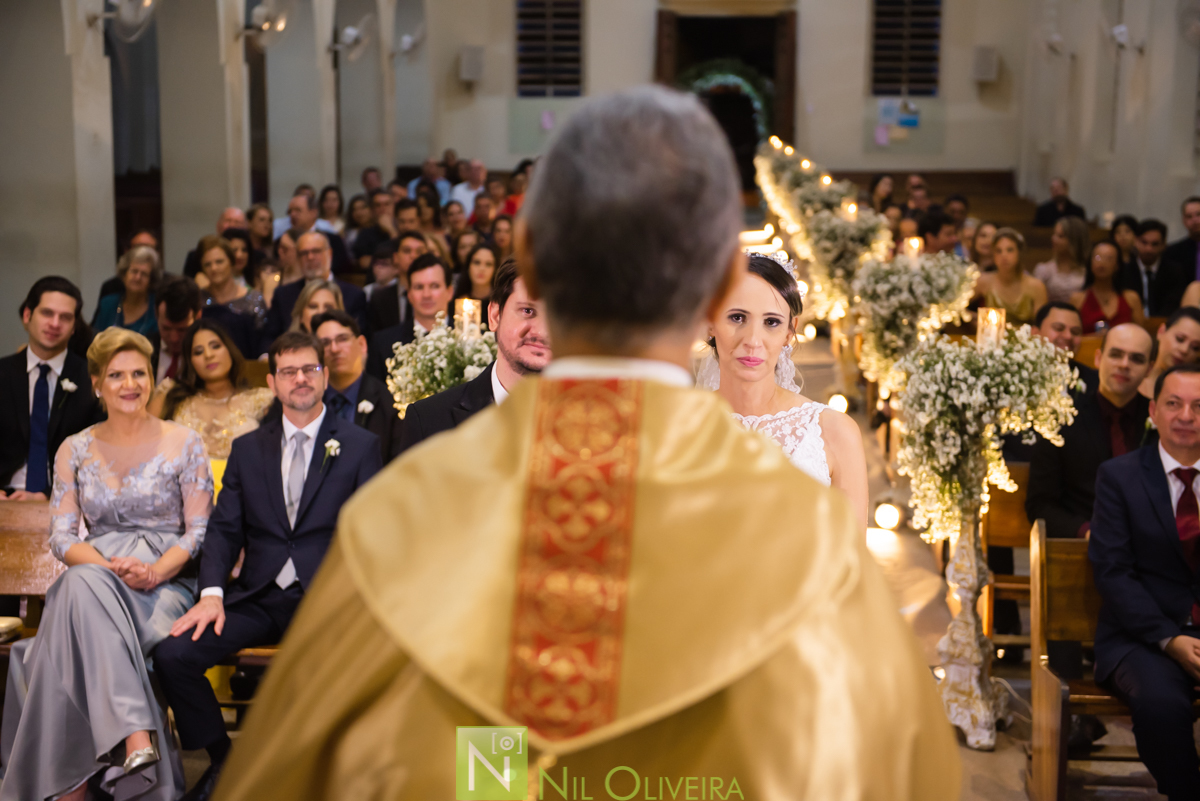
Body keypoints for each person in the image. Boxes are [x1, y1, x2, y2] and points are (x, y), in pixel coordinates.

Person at [213, 85, 958, 801]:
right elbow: (899, 769)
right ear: (721, 278)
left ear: (528, 254)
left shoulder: (401, 523)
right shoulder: (811, 548)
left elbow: (289, 772)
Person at [154, 331, 381, 801]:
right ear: (273, 381)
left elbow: (373, 532)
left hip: (326, 601)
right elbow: (223, 530)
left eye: (309, 369)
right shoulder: (248, 449)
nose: (300, 379)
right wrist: (212, 595)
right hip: (259, 597)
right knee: (174, 656)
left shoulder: (359, 446)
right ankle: (224, 762)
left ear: (324, 375)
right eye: (288, 371)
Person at [0, 328, 213, 801]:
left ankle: (70, 786)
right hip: (99, 570)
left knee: (50, 645)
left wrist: (156, 572)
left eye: (139, 372)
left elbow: (197, 534)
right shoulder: (74, 448)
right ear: (97, 383)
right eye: (116, 375)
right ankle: (132, 735)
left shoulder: (185, 441)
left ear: (153, 378)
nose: (129, 383)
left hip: (162, 584)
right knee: (82, 584)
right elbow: (61, 536)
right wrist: (104, 568)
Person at [1089, 363, 1200, 799]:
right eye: (1173, 404)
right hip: (1142, 637)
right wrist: (1169, 639)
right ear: (1153, 411)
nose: (1186, 416)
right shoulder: (1120, 477)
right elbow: (1113, 570)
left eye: (1198, 406)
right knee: (1161, 705)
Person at [697, 253, 869, 530]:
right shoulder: (677, 427)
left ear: (790, 331)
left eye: (771, 322)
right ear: (710, 323)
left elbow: (854, 563)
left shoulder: (835, 433)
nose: (753, 341)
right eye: (737, 317)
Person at [398, 258, 550, 454]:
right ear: (495, 316)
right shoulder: (428, 421)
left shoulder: (595, 423)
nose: (542, 331)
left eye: (556, 316)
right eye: (528, 311)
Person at [1027, 323, 1153, 539]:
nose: (1124, 365)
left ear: (1149, 370)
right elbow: (1040, 503)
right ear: (1098, 358)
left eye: (1136, 359)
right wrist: (1086, 531)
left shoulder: (1161, 419)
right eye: (1116, 354)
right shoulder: (1062, 419)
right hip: (1083, 548)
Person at [0, 277, 104, 499]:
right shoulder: (2, 373)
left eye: (65, 317)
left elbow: (100, 456)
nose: (55, 323)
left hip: (67, 500)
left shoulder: (91, 379)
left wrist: (48, 495)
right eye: (47, 313)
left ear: (74, 326)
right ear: (27, 316)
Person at [148, 321, 274, 460]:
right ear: (190, 361)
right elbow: (141, 445)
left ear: (229, 350)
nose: (208, 355)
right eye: (198, 352)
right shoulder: (170, 394)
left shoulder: (261, 400)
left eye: (215, 346)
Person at [313, 311, 403, 464]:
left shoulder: (390, 402)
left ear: (362, 344)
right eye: (325, 343)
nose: (334, 349)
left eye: (342, 339)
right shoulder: (308, 399)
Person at [265, 231, 367, 341]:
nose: (310, 257)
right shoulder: (283, 294)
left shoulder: (354, 295)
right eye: (304, 253)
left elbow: (359, 337)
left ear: (330, 253)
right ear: (298, 259)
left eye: (316, 251)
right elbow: (269, 337)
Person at [366, 253, 454, 380]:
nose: (426, 294)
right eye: (419, 287)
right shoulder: (383, 344)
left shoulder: (473, 339)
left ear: (449, 292)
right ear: (409, 294)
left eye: (434, 286)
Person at [197, 235, 267, 359]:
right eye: (207, 264)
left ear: (231, 262)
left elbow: (263, 341)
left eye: (219, 261)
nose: (214, 268)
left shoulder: (254, 298)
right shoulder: (197, 300)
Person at [1119, 218, 1191, 317]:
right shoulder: (1124, 271)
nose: (1149, 249)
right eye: (1144, 242)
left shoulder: (1174, 271)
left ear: (1163, 244)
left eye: (1155, 244)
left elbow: (1172, 305)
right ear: (1135, 241)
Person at [975, 227, 1048, 325]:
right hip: (992, 338)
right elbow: (957, 308)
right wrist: (978, 319)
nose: (1004, 255)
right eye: (998, 251)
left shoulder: (1037, 286)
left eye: (1010, 250)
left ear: (1019, 252)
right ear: (993, 255)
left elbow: (1042, 325)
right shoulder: (983, 281)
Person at [1072, 241, 1145, 333]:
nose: (1102, 263)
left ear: (1117, 265)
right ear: (1090, 262)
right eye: (1098, 257)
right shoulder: (1077, 299)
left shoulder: (1131, 298)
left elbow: (1140, 335)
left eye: (1109, 258)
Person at [366, 230, 427, 336]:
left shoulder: (435, 296)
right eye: (407, 251)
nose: (413, 256)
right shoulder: (379, 298)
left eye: (419, 252)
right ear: (396, 257)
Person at [93, 245, 160, 337]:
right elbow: (96, 339)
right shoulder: (107, 304)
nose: (138, 277)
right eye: (134, 271)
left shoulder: (157, 307)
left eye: (144, 274)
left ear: (151, 280)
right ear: (124, 274)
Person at [1033, 301, 1099, 392]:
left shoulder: (1094, 383)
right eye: (1059, 328)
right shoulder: (1017, 373)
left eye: (1075, 332)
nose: (1068, 336)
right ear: (1035, 333)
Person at [281, 193, 354, 275]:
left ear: (313, 213)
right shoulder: (282, 242)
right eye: (290, 211)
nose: (292, 215)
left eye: (298, 210)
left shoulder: (333, 240)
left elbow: (344, 269)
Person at [150, 276, 203, 385]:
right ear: (156, 313)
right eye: (166, 328)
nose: (174, 338)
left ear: (198, 316)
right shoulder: (143, 350)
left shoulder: (208, 355)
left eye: (182, 330)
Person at [1138, 308, 1200, 399]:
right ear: (1161, 331)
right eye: (1180, 339)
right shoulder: (1133, 376)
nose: (1184, 350)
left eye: (1195, 347)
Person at [1034, 215, 1090, 304]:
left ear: (1074, 241)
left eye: (1060, 236)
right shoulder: (1045, 270)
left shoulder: (1088, 271)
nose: (1053, 239)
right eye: (1054, 234)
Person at [183, 207, 248, 278]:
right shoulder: (196, 256)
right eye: (228, 221)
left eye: (237, 222)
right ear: (218, 225)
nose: (232, 225)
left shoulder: (253, 257)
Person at [352, 189, 397, 270]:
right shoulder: (365, 233)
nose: (383, 209)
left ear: (393, 207)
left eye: (387, 204)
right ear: (372, 210)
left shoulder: (402, 228)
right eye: (378, 205)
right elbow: (364, 262)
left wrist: (391, 230)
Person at [1164, 196, 1200, 286]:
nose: (1195, 220)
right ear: (1183, 220)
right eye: (1189, 216)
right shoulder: (1172, 253)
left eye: (1199, 214)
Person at [453, 243, 498, 307]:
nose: (482, 269)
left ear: (495, 269)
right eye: (477, 262)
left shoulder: (502, 304)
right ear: (468, 267)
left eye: (488, 264)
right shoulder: (457, 303)